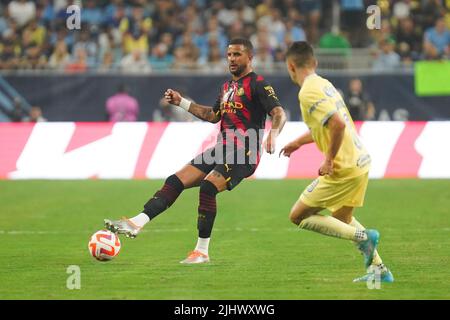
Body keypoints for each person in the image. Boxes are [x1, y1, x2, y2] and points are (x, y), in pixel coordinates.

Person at [104, 38, 287, 264]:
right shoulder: (227, 87)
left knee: (208, 187)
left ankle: (201, 251)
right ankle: (137, 222)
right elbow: (213, 116)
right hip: (221, 148)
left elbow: (279, 113)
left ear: (250, 57)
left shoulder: (258, 84)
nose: (231, 59)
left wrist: (274, 133)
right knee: (175, 180)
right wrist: (182, 102)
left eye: (237, 54)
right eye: (229, 54)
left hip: (244, 152)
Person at [280, 41, 393, 283]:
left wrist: (328, 160)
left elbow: (338, 125)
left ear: (290, 66)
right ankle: (379, 271)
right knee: (342, 219)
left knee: (298, 216)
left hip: (343, 166)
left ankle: (364, 237)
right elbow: (329, 125)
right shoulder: (324, 84)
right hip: (360, 161)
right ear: (315, 63)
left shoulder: (307, 92)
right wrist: (298, 143)